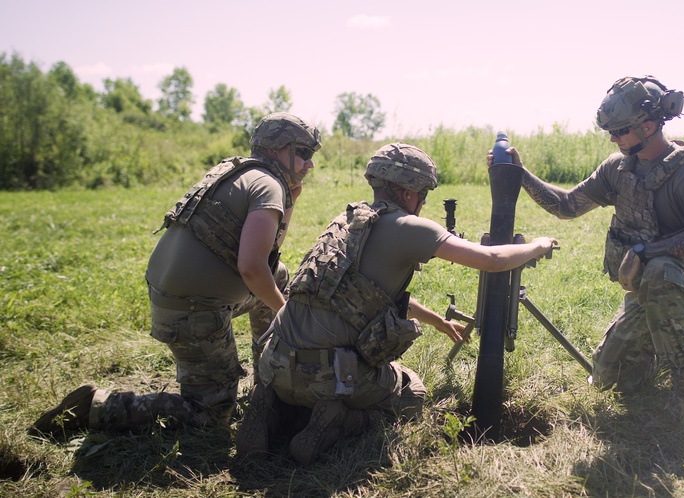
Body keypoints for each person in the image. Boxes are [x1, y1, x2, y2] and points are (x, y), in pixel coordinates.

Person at [235, 142, 557, 466]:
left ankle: (271, 406)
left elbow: (364, 297)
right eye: (423, 194)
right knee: (412, 393)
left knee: (300, 382)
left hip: (273, 363)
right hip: (326, 375)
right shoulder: (409, 228)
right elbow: (490, 258)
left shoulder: (346, 220)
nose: (422, 203)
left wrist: (439, 323)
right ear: (409, 193)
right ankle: (339, 422)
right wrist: (536, 246)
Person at [32, 112, 322, 435]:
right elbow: (252, 268)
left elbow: (267, 258)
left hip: (179, 298)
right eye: (304, 154)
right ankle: (98, 407)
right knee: (211, 415)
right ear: (279, 149)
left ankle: (266, 385)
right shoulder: (267, 185)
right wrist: (286, 316)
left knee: (278, 274)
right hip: (193, 311)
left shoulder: (239, 171)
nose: (310, 164)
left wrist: (290, 202)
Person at [488, 75, 684, 405]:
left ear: (647, 125)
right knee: (609, 379)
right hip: (647, 291)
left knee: (660, 270)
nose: (613, 138)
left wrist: (646, 253)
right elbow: (567, 206)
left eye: (620, 130)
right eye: (610, 131)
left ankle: (683, 387)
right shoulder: (617, 169)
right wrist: (521, 174)